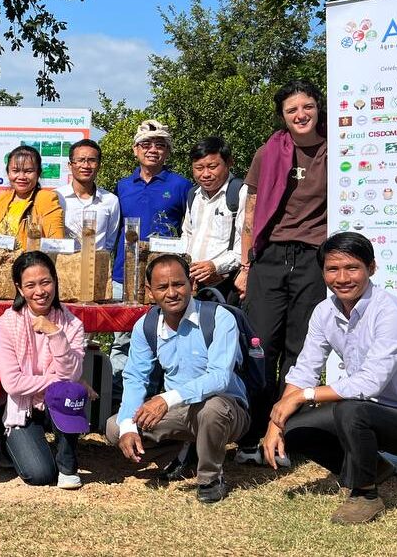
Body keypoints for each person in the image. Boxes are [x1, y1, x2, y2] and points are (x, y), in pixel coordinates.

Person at [262, 232, 397, 525]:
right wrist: (276, 420)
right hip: (365, 411)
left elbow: (368, 383)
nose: (342, 278)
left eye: (352, 268)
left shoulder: (392, 312)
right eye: (333, 269)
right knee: (295, 427)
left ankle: (364, 495)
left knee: (349, 407)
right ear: (322, 272)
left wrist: (302, 396)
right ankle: (374, 468)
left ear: (371, 268)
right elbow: (306, 367)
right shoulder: (324, 311)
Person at [234, 80, 329, 464]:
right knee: (259, 348)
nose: (301, 115)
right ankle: (251, 434)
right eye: (292, 110)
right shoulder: (269, 152)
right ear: (283, 117)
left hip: (314, 258)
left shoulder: (338, 149)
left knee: (299, 349)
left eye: (307, 106)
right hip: (269, 258)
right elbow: (251, 211)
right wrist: (245, 265)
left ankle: (285, 435)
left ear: (318, 108)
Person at [106, 254, 249, 504]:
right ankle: (179, 455)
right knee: (116, 427)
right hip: (180, 411)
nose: (172, 293)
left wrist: (165, 399)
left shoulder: (219, 318)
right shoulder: (146, 326)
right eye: (162, 287)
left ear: (192, 285)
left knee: (211, 410)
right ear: (150, 292)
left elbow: (219, 377)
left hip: (227, 408)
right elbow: (135, 377)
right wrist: (129, 426)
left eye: (178, 284)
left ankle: (210, 478)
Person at [110, 119, 192, 405]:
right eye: (146, 144)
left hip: (164, 281)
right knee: (122, 340)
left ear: (168, 151)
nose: (153, 150)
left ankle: (158, 404)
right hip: (124, 276)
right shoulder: (121, 186)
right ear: (135, 150)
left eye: (160, 145)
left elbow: (189, 228)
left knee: (164, 340)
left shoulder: (181, 185)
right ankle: (120, 403)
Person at [0, 251, 87, 489]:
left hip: (55, 403)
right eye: (30, 285)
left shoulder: (72, 324)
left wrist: (55, 333)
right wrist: (56, 380)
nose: (40, 291)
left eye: (45, 282)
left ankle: (67, 465)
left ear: (55, 281)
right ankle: (9, 443)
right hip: (22, 406)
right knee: (40, 474)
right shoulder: (6, 323)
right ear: (19, 288)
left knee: (69, 393)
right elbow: (12, 384)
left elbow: (70, 378)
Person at [182, 137, 248, 302]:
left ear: (228, 163)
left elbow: (247, 245)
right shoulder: (193, 195)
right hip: (193, 286)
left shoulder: (241, 193)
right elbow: (187, 235)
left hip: (228, 285)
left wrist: (215, 266)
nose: (205, 174)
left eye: (212, 167)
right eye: (198, 168)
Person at [0, 145, 65, 246]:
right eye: (15, 171)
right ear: (8, 173)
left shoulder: (47, 199)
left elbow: (56, 243)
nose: (21, 177)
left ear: (38, 173)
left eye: (28, 171)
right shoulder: (0, 199)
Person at [55, 139, 121, 252]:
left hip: (96, 266)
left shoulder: (111, 201)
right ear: (70, 165)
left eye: (92, 160)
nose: (86, 165)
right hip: (63, 266)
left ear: (99, 165)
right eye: (80, 160)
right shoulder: (56, 197)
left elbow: (110, 242)